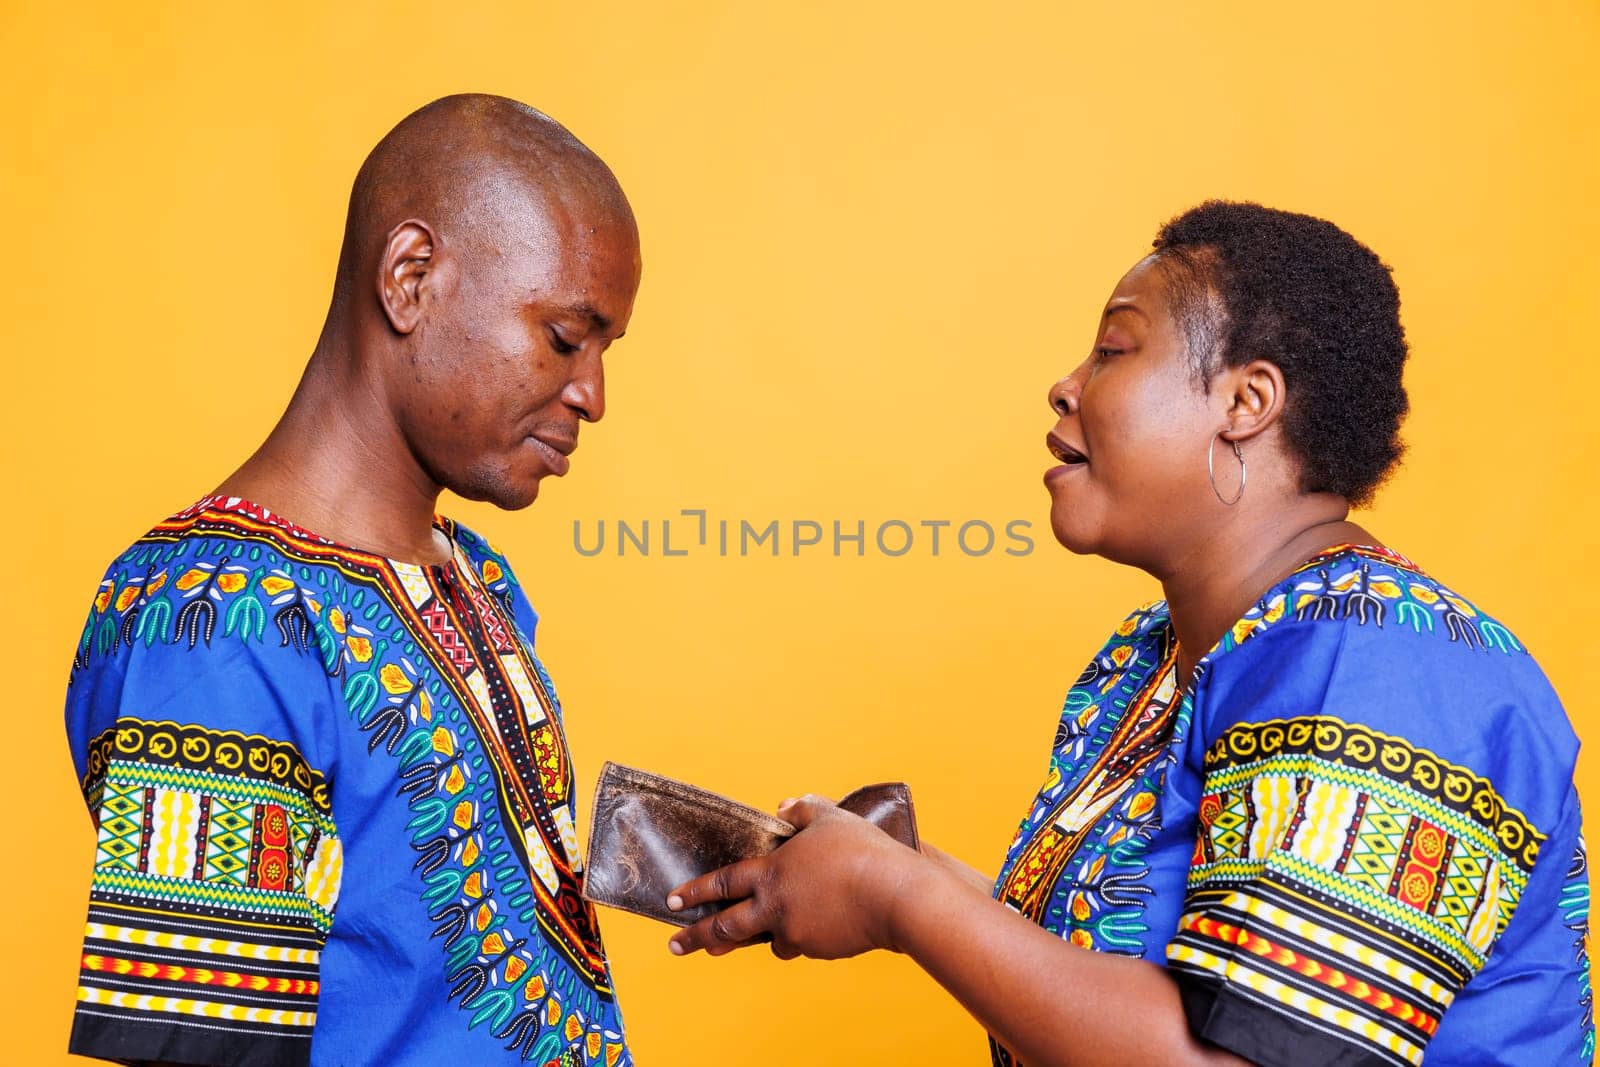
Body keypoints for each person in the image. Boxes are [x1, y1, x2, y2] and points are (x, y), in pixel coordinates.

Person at [665, 202, 1593, 1066]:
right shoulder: (1156, 654)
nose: (1065, 386)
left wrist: (897, 898)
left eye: (1114, 350)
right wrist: (903, 870)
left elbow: (1241, 1056)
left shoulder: (1389, 663)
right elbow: (1130, 973)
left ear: (1246, 402)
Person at [64, 94, 641, 1066]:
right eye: (562, 336)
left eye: (603, 350)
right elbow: (201, 1050)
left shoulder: (471, 578)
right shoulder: (215, 626)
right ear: (410, 278)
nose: (592, 392)